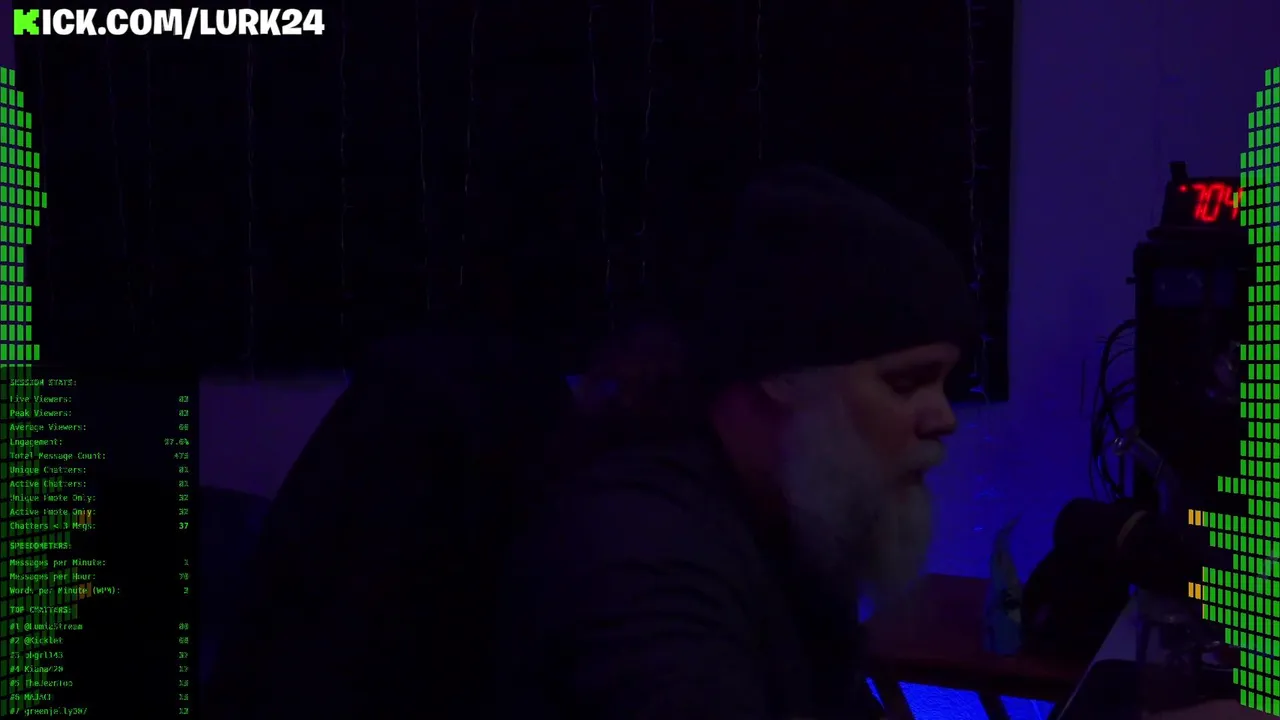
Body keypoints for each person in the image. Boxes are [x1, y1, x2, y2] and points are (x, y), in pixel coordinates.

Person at [494, 165, 978, 719]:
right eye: (906, 382)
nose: (943, 418)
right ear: (783, 376)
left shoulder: (791, 520)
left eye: (945, 385)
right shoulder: (641, 550)